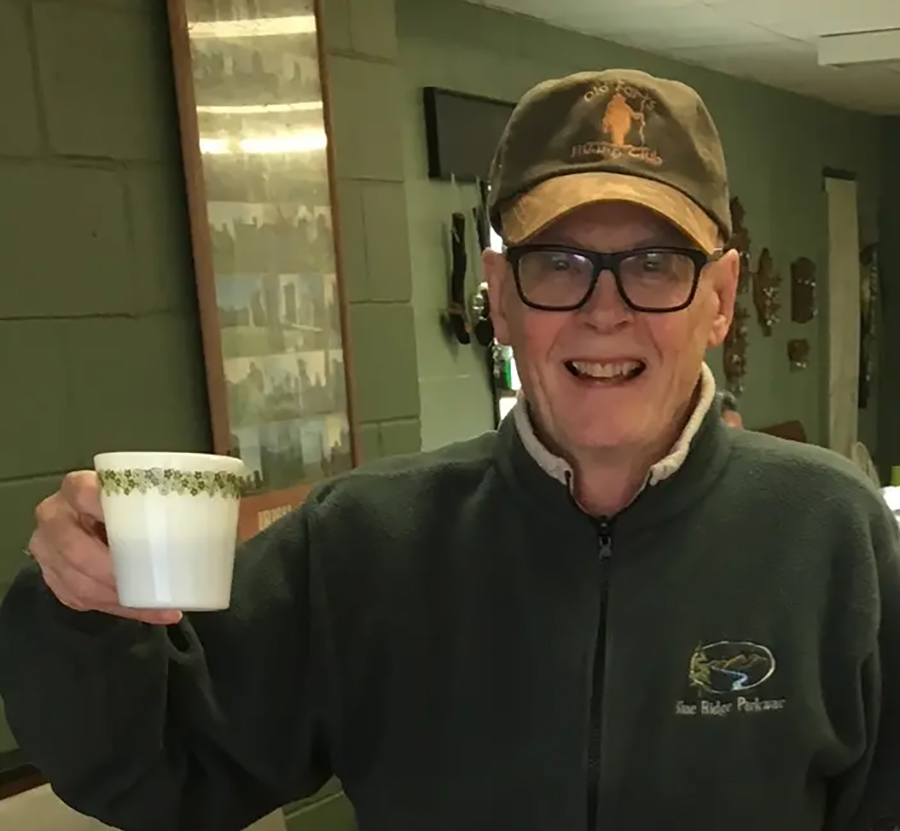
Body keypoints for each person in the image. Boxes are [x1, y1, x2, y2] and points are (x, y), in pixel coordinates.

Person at [1, 68, 899, 831]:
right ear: (499, 295)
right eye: (558, 262)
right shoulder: (363, 540)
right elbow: (161, 770)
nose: (605, 308)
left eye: (657, 262)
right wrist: (81, 606)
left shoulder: (835, 533)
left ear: (721, 297)